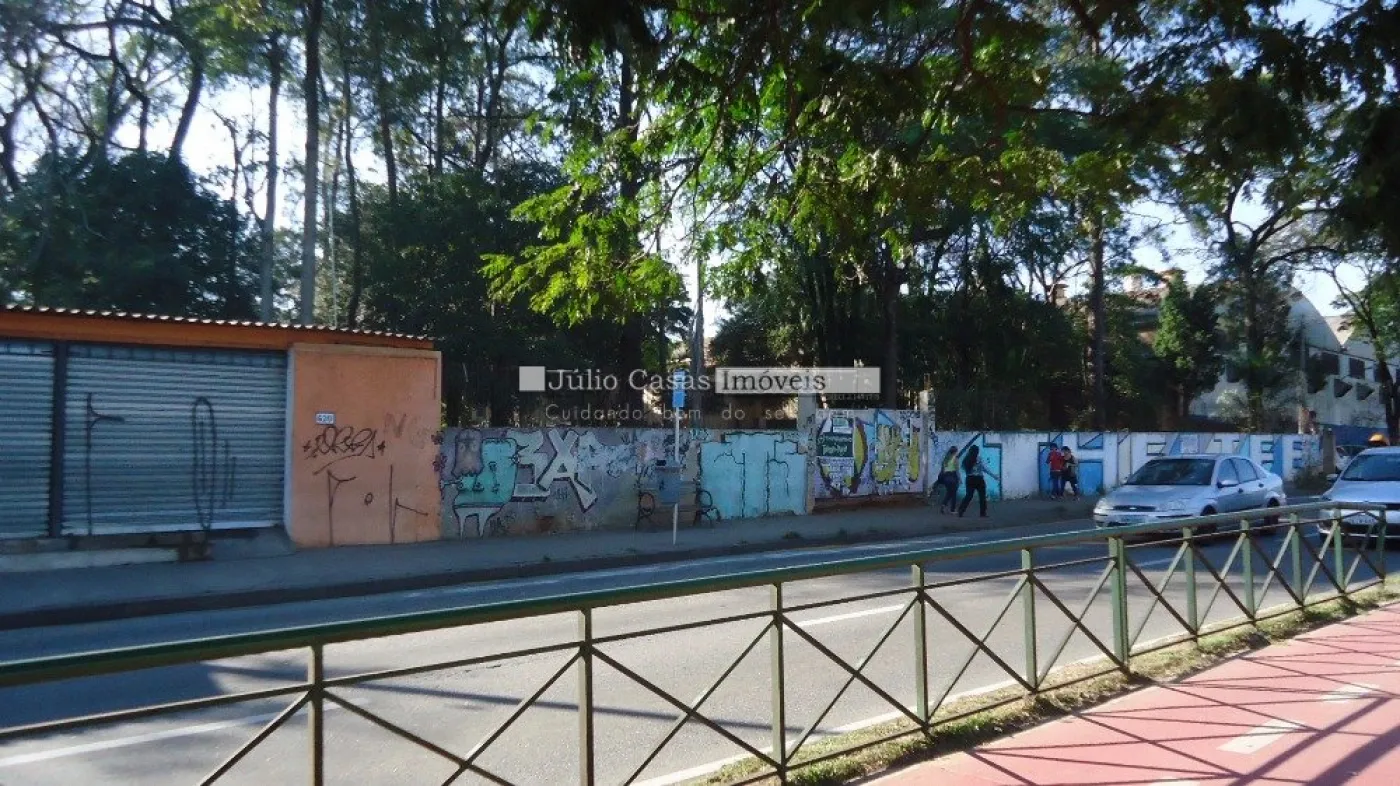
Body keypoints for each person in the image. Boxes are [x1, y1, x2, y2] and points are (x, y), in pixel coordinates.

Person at [958, 445, 989, 518]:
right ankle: (982, 513)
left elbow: (963, 468)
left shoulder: (966, 459)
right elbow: (984, 468)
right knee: (982, 496)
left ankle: (961, 510)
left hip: (969, 479)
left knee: (969, 496)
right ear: (977, 451)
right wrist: (993, 475)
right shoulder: (979, 458)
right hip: (979, 479)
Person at [937, 446, 960, 514]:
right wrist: (959, 479)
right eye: (957, 451)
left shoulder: (945, 459)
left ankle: (943, 505)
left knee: (949, 493)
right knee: (954, 494)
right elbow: (957, 470)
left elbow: (942, 470)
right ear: (955, 452)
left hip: (946, 477)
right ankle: (952, 510)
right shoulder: (955, 459)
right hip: (953, 476)